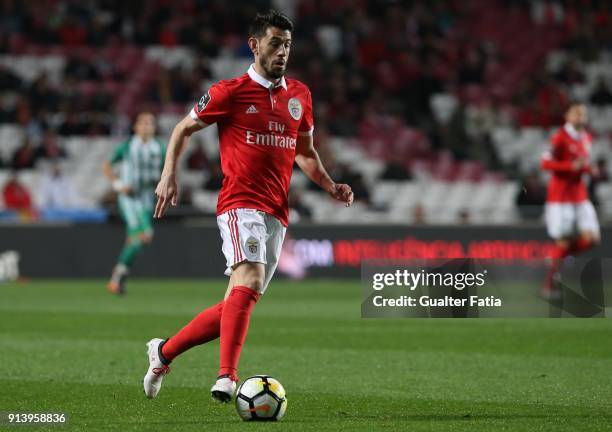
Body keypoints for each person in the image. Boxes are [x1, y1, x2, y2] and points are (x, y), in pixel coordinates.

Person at [144, 10, 353, 403]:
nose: (282, 52)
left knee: (236, 303)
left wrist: (329, 184)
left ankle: (163, 352)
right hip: (240, 204)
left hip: (276, 211)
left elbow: (304, 153)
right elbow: (181, 128)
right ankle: (226, 377)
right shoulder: (230, 91)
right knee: (250, 282)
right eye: (275, 43)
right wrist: (169, 172)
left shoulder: (300, 96)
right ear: (254, 45)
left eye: (287, 45)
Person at [540, 102, 600, 299]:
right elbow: (545, 163)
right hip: (560, 198)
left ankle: (556, 258)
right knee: (564, 242)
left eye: (583, 114)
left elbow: (582, 163)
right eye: (576, 113)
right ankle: (549, 285)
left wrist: (589, 169)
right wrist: (570, 166)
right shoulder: (559, 138)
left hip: (580, 196)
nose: (580, 117)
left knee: (592, 239)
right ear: (567, 116)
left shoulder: (586, 137)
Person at [103, 112, 165, 295]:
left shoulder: (159, 148)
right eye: (143, 123)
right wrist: (118, 185)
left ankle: (118, 277)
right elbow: (107, 165)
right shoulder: (129, 146)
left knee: (138, 240)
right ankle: (118, 275)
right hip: (129, 199)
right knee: (144, 234)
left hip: (146, 199)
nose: (147, 126)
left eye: (150, 123)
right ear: (136, 127)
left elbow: (164, 172)